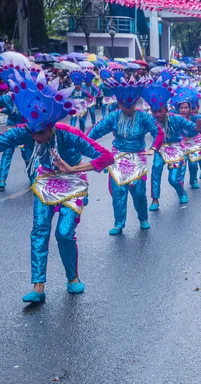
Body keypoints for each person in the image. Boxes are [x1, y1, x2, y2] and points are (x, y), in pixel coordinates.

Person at [0, 69, 114, 303]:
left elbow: (105, 157)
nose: (36, 138)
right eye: (32, 132)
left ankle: (72, 278)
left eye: (40, 132)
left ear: (51, 126)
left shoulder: (69, 134)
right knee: (39, 231)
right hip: (44, 183)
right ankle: (38, 287)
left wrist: (73, 169)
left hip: (73, 184)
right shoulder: (26, 133)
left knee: (63, 233)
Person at [87, 75, 165, 235]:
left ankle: (143, 218)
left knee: (138, 192)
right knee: (118, 192)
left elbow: (158, 132)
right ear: (119, 103)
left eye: (132, 105)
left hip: (138, 157)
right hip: (117, 158)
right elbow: (95, 131)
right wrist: (84, 144)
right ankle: (119, 223)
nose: (128, 108)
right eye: (124, 105)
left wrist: (154, 148)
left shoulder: (144, 117)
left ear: (136, 102)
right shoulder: (113, 116)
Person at [142, 75, 201, 211]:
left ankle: (181, 191)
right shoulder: (150, 120)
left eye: (160, 111)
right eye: (154, 111)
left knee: (173, 179)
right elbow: (140, 132)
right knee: (156, 169)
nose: (157, 114)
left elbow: (192, 129)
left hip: (176, 147)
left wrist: (198, 128)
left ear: (166, 109)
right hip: (159, 148)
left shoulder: (176, 118)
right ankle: (155, 200)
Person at [172, 80, 201, 187]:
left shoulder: (194, 116)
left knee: (193, 164)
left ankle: (193, 180)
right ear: (178, 108)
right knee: (181, 166)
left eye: (186, 107)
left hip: (194, 143)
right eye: (181, 108)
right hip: (181, 144)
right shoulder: (175, 117)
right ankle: (180, 184)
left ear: (190, 108)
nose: (183, 110)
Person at [0, 63, 34, 191]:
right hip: (11, 129)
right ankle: (2, 180)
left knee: (27, 154)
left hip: (25, 129)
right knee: (7, 153)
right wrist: (4, 111)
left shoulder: (27, 97)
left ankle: (33, 178)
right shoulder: (6, 98)